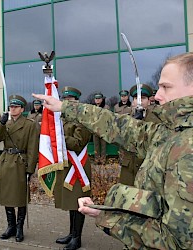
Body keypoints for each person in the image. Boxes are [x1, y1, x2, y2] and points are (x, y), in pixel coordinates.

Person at [32, 52, 193, 249]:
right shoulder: (171, 131)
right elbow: (120, 127)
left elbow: (176, 242)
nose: (157, 95)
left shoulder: (187, 148)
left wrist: (107, 216)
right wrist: (64, 107)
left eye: (166, 87)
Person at [0, 95, 39, 242]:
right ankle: (10, 226)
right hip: (6, 161)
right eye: (11, 107)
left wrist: (31, 168)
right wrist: (1, 122)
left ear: (22, 109)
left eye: (16, 107)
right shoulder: (5, 122)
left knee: (20, 197)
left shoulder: (30, 124)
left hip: (20, 163)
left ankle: (19, 228)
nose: (13, 109)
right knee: (7, 195)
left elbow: (33, 147)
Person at [54, 87, 92, 250]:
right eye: (65, 99)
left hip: (79, 167)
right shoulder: (62, 119)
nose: (67, 102)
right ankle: (71, 233)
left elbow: (78, 143)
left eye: (70, 100)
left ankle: (77, 238)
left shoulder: (83, 119)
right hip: (67, 164)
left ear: (76, 102)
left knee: (79, 202)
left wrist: (60, 137)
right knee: (71, 201)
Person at [118, 84, 161, 186]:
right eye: (137, 98)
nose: (140, 101)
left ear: (149, 101)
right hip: (129, 166)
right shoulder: (127, 119)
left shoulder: (157, 119)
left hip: (148, 166)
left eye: (143, 98)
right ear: (133, 101)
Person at [92, 92, 109, 164]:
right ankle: (96, 159)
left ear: (102, 99)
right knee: (96, 145)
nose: (97, 100)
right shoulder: (92, 108)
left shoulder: (106, 107)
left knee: (103, 145)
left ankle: (103, 159)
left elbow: (108, 118)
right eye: (96, 99)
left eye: (99, 98)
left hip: (103, 129)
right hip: (95, 129)